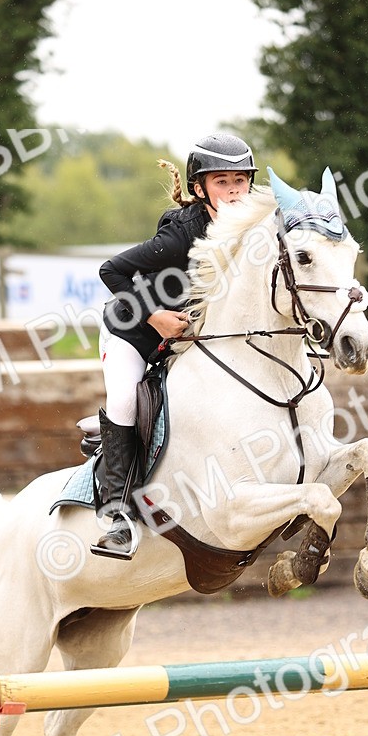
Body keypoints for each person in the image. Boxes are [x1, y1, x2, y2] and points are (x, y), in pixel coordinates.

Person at [92, 132, 256, 560]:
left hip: (190, 339)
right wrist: (154, 316)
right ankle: (117, 517)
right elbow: (111, 271)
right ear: (200, 189)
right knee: (126, 400)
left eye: (241, 180)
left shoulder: (253, 228)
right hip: (133, 332)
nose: (235, 190)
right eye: (222, 181)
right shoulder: (182, 235)